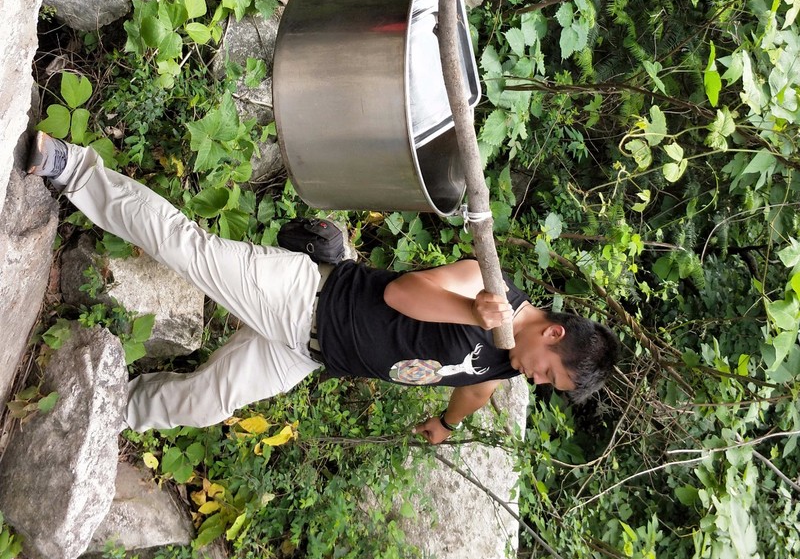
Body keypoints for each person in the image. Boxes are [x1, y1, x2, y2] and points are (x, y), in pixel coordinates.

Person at [29, 133, 620, 439]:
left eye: (548, 385)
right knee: (188, 249)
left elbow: (475, 390)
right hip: (303, 295)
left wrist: (446, 423)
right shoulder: (489, 287)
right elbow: (402, 295)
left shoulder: (506, 367)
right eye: (550, 373)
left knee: (207, 402)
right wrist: (473, 312)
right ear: (553, 334)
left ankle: (109, 412)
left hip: (307, 353)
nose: (537, 381)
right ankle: (72, 168)